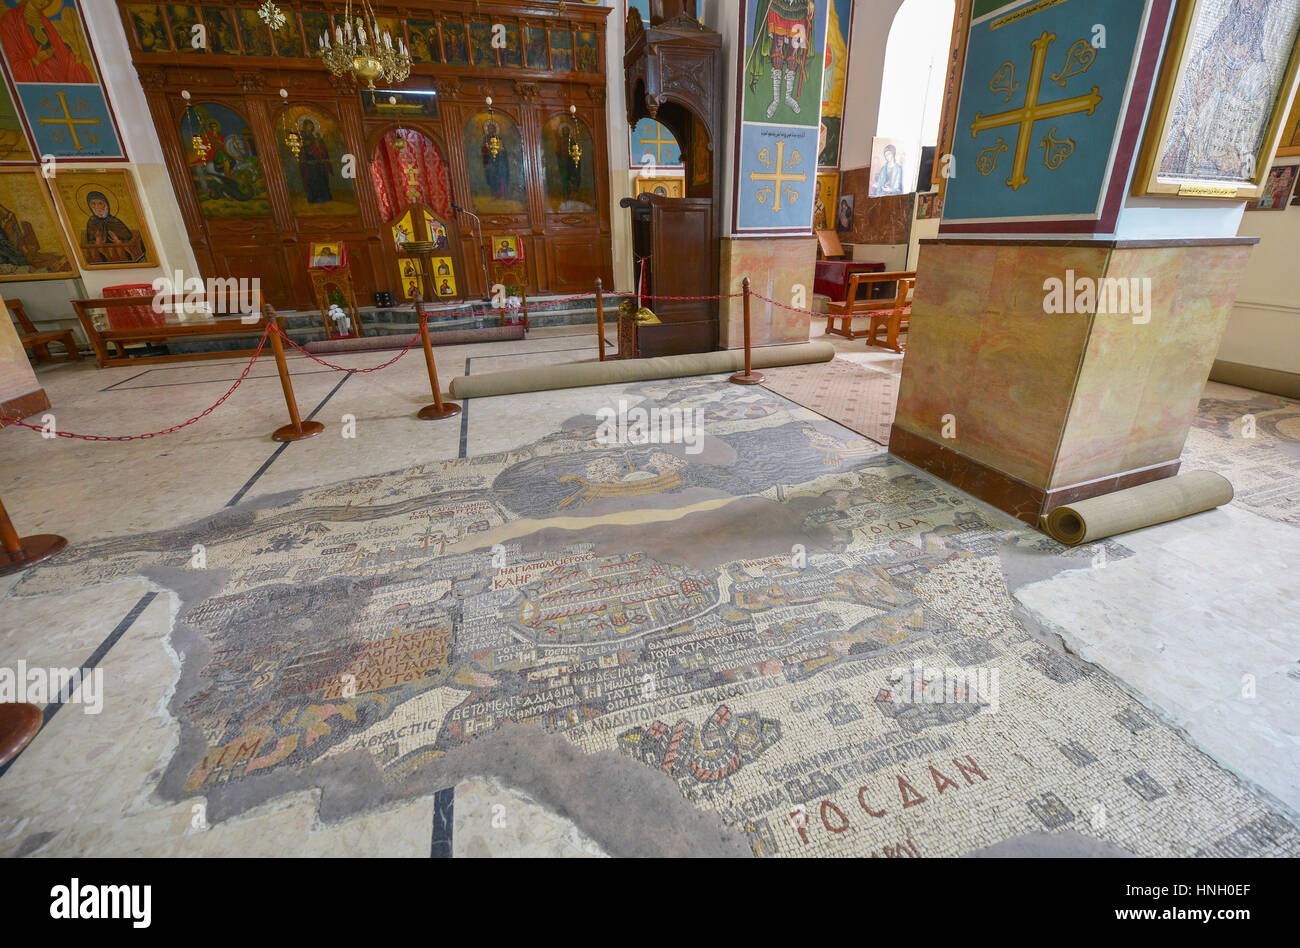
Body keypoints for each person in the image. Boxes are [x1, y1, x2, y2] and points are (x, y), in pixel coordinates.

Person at [1, 1, 94, 84]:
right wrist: (36, 61)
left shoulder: (46, 22)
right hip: (37, 82)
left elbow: (62, 54)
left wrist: (72, 59)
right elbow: (12, 66)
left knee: (82, 71)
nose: (45, 2)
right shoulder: (11, 20)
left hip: (57, 76)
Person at [83, 190, 142, 265]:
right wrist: (97, 242)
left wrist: (119, 242)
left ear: (106, 205)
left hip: (120, 255)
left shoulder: (114, 221)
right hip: (101, 258)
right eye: (93, 204)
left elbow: (128, 237)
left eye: (100, 203)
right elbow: (90, 240)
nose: (97, 207)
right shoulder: (92, 222)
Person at [298, 117, 333, 205]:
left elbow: (320, 146)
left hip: (318, 161)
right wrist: (313, 144)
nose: (310, 127)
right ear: (305, 127)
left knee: (322, 178)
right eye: (308, 126)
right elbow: (305, 148)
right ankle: (314, 198)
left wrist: (319, 142)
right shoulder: (304, 136)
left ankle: (324, 197)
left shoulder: (314, 136)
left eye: (311, 126)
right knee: (313, 179)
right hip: (310, 163)